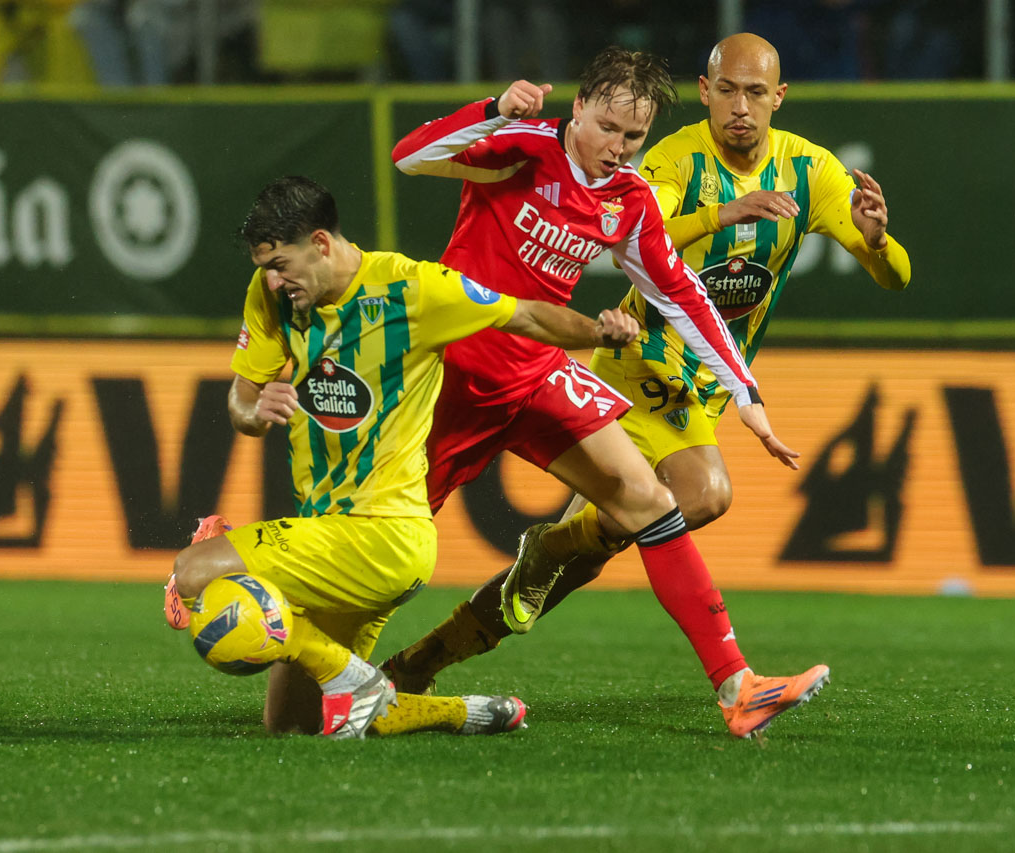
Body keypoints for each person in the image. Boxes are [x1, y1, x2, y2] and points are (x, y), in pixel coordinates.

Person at [386, 46, 829, 738]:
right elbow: (410, 156)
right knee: (384, 555)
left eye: (634, 138)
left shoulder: (627, 200)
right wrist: (492, 110)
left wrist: (746, 393)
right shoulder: (524, 147)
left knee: (650, 500)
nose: (618, 150)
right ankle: (289, 634)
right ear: (579, 108)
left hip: (536, 375)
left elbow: (681, 293)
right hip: (453, 380)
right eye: (607, 128)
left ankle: (738, 686)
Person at [163, 175, 640, 739]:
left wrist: (598, 333)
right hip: (328, 536)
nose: (272, 278)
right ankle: (453, 711)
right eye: (264, 265)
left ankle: (351, 677)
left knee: (193, 574)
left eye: (281, 263)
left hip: (384, 535)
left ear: (321, 243)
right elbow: (242, 400)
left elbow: (526, 317)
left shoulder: (414, 290)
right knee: (291, 726)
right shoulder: (271, 295)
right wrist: (255, 406)